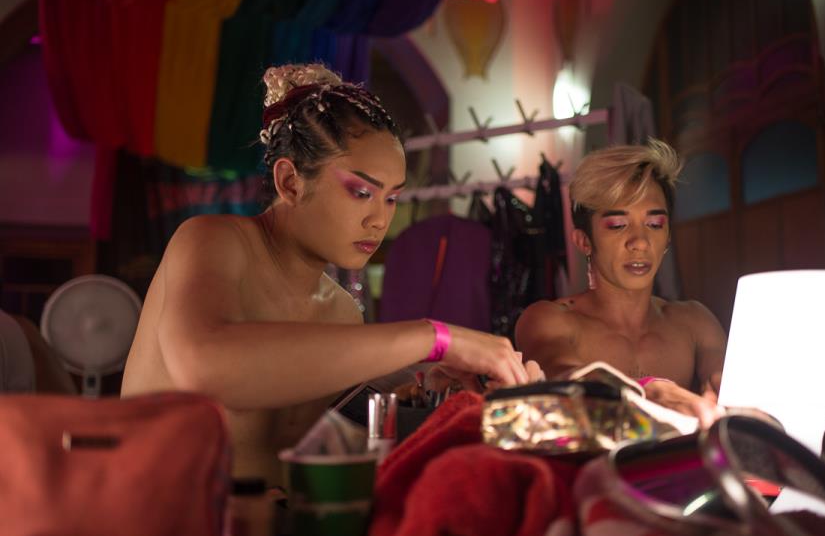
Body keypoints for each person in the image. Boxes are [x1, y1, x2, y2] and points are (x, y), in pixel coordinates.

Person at [121, 63, 542, 486]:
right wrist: (438, 338)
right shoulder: (212, 241)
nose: (380, 220)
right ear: (290, 182)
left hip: (276, 522)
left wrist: (440, 387)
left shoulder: (341, 311)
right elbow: (206, 365)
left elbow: (328, 433)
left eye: (392, 198)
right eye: (361, 192)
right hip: (159, 519)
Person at [515, 139, 726, 426]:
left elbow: (731, 385)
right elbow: (566, 379)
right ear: (584, 241)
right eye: (618, 225)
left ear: (667, 237)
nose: (640, 242)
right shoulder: (549, 320)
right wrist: (649, 392)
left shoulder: (695, 323)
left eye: (654, 225)